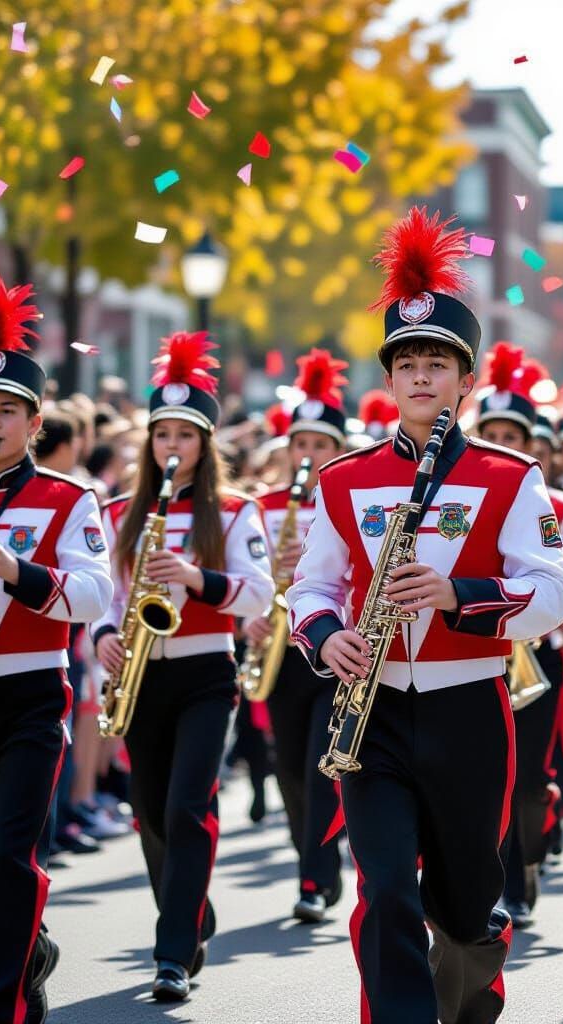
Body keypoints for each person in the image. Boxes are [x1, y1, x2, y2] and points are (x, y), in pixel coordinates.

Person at [287, 207, 563, 1024]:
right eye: (405, 363)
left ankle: (473, 991)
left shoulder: (509, 476)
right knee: (383, 889)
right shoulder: (342, 480)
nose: (420, 377)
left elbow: (554, 593)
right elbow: (309, 588)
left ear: (465, 378)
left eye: (437, 364)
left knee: (466, 898)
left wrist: (461, 596)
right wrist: (325, 636)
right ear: (388, 379)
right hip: (370, 709)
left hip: (468, 706)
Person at [0, 274, 113, 1024]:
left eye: (9, 411)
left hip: (33, 693)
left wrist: (15, 572)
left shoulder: (72, 499)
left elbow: (96, 594)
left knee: (11, 854)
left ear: (34, 421)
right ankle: (29, 954)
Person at [92, 331, 273, 1001]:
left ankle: (171, 954)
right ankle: (190, 909)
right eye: (161, 434)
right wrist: (104, 635)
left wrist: (196, 577)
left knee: (188, 808)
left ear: (204, 443)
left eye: (184, 435)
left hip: (204, 671)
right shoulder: (121, 512)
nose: (172, 446)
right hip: (140, 676)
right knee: (153, 815)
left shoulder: (231, 512)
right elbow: (105, 598)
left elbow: (258, 593)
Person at [243, 348, 350, 922]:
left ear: (338, 451)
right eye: (301, 445)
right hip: (280, 650)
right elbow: (246, 577)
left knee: (317, 765)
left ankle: (316, 877)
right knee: (287, 767)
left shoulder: (352, 501)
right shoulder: (260, 506)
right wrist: (252, 614)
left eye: (320, 446)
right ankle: (311, 858)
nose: (308, 455)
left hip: (332, 648)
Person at [473, 342, 563, 930]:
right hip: (481, 651)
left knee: (531, 778)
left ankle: (526, 864)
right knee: (489, 777)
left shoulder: (561, 504)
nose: (504, 444)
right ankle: (497, 881)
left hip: (538, 653)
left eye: (514, 436)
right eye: (494, 432)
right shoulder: (458, 492)